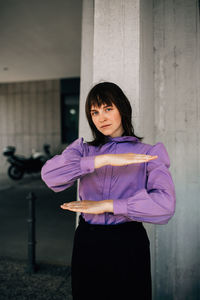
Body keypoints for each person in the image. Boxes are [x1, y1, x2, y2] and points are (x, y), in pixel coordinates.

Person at [41, 82, 176, 300]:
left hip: (128, 244)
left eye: (108, 108)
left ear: (122, 108)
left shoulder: (149, 153)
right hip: (87, 242)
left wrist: (108, 205)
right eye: (94, 112)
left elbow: (165, 206)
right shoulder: (83, 150)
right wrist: (103, 159)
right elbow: (50, 176)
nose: (101, 118)